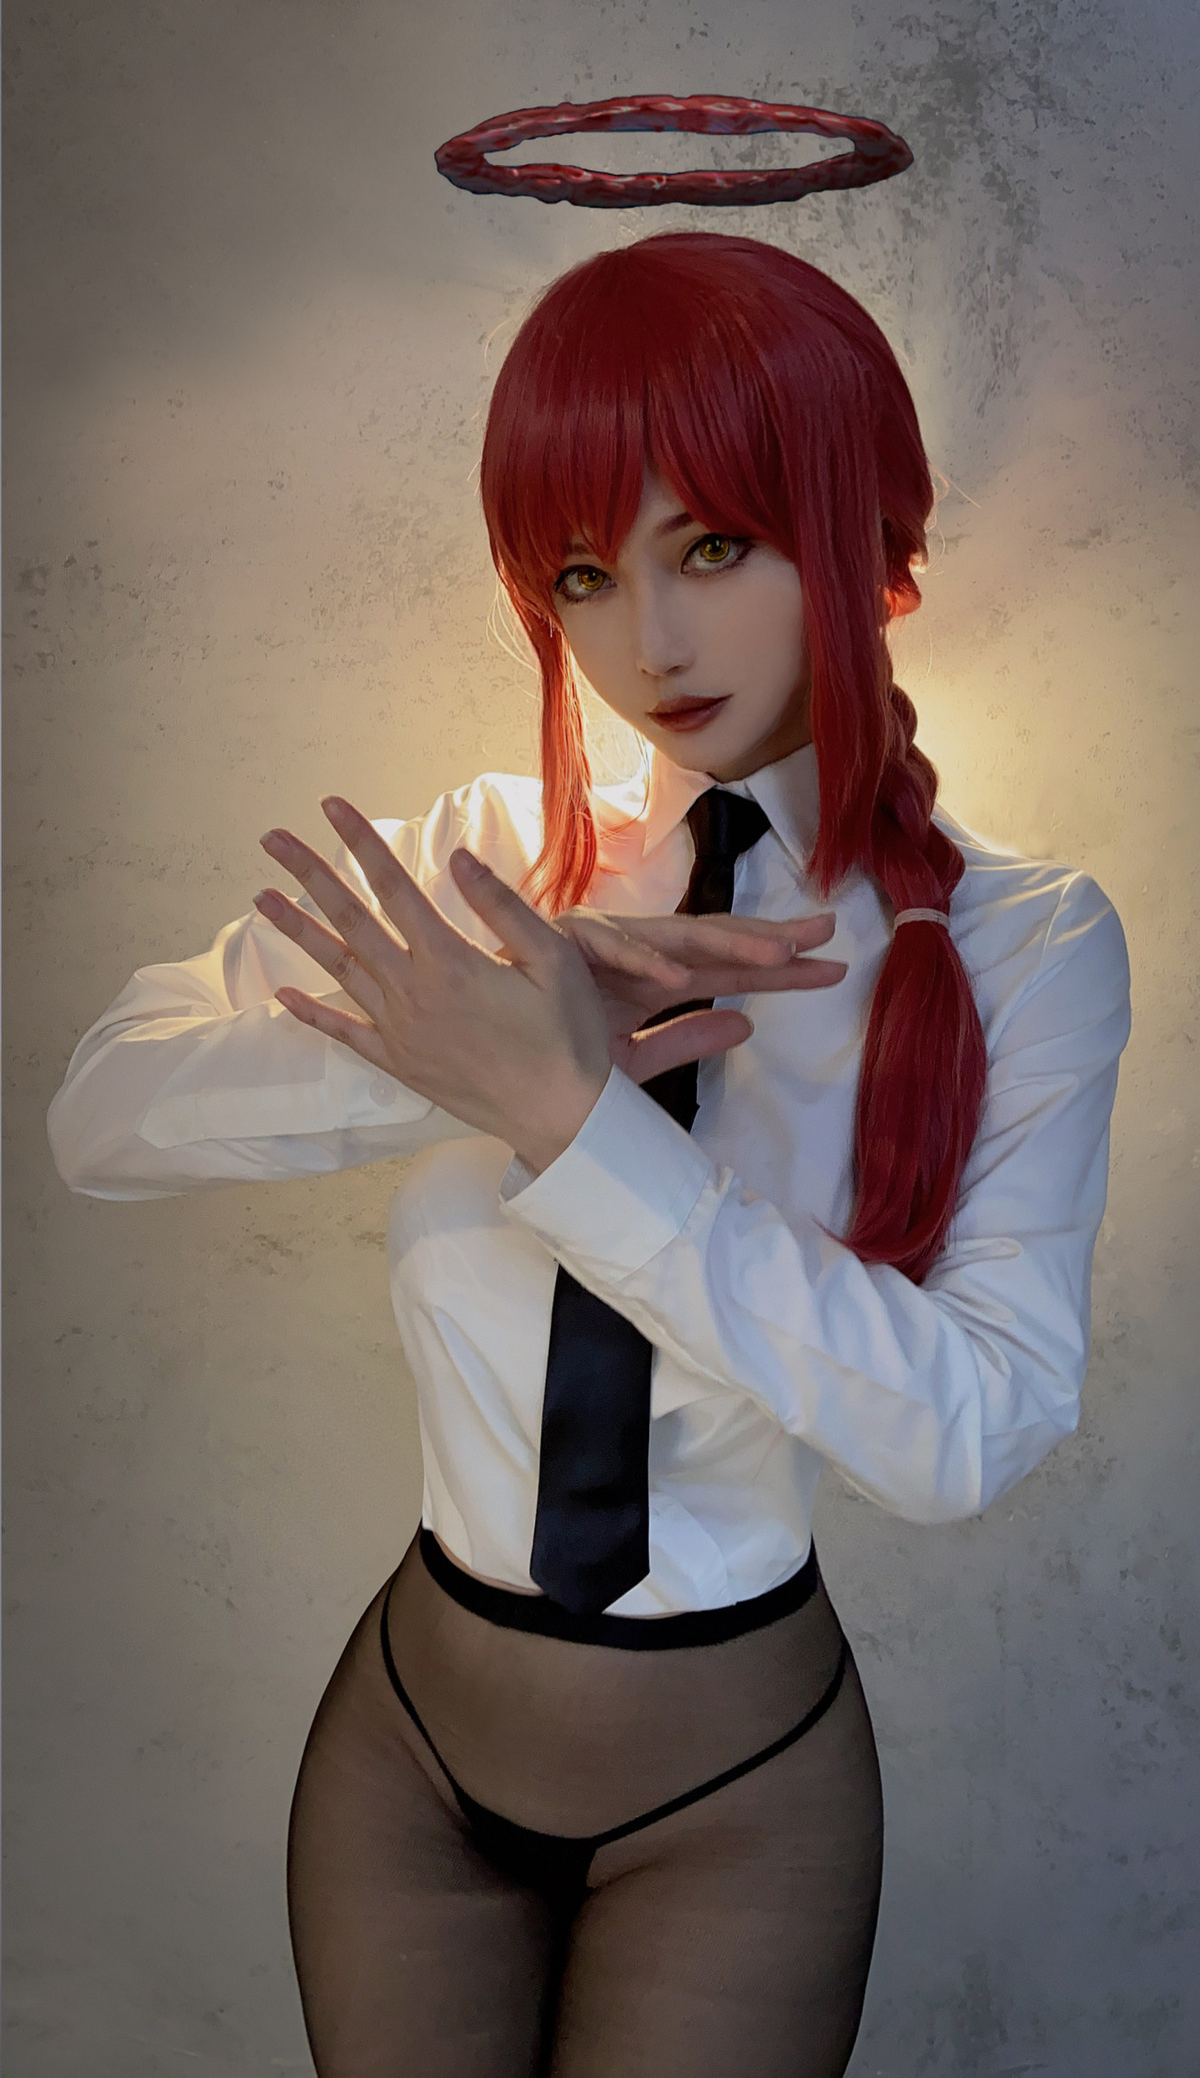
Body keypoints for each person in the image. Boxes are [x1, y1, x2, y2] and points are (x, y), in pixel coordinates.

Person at [47, 231, 1132, 2078]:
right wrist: (470, 1050)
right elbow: (104, 1117)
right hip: (405, 1753)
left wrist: (572, 1123)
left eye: (712, 546)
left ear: (860, 531)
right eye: (581, 573)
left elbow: (970, 1429)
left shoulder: (1026, 942)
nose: (652, 643)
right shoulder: (482, 863)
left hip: (737, 1789)